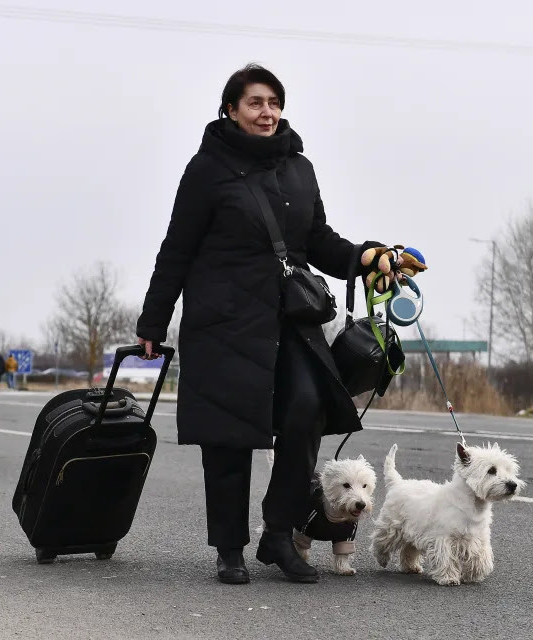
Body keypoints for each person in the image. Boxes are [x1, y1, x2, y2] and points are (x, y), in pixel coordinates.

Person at [136, 64, 411, 584]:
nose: (267, 113)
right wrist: (154, 318)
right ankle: (229, 549)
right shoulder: (206, 171)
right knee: (229, 435)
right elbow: (176, 250)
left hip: (288, 322)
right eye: (256, 103)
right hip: (223, 323)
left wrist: (370, 257)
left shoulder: (299, 168)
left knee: (307, 409)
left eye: (274, 102)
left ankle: (279, 535)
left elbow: (319, 240)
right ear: (231, 110)